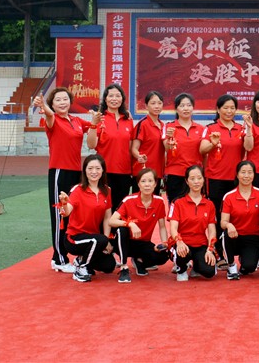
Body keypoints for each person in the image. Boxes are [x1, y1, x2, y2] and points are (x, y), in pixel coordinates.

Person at [34, 87, 100, 273]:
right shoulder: (52, 120)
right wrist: (44, 106)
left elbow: (94, 127)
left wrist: (96, 120)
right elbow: (49, 115)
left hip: (76, 174)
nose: (62, 103)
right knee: (59, 215)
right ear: (52, 104)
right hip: (59, 172)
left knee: (73, 215)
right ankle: (59, 258)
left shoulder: (76, 121)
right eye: (58, 100)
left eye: (65, 99)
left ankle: (75, 254)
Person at [57, 153, 114, 282]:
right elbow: (67, 212)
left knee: (109, 266)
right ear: (85, 170)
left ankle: (81, 260)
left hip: (94, 239)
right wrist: (64, 204)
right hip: (74, 238)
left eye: (98, 168)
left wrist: (106, 241)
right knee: (99, 240)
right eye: (90, 168)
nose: (94, 172)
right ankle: (81, 268)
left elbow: (107, 217)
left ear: (103, 170)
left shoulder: (107, 190)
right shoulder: (77, 190)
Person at [108, 167, 171, 283]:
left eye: (150, 181)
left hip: (143, 243)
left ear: (155, 184)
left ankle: (139, 261)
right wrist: (130, 224)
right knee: (122, 230)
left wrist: (164, 243)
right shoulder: (129, 200)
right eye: (143, 181)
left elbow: (162, 226)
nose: (147, 184)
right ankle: (123, 267)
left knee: (164, 255)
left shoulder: (159, 201)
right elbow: (111, 221)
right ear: (138, 184)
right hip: (125, 242)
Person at [168, 164, 218, 281]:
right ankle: (182, 268)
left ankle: (197, 266)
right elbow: (173, 228)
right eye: (192, 178)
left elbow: (212, 230)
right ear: (186, 181)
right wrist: (179, 242)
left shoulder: (209, 204)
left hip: (200, 243)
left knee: (209, 272)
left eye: (199, 178)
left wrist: (210, 249)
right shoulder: (178, 202)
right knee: (183, 253)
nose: (196, 182)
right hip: (182, 243)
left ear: (203, 180)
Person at [201, 94, 248, 219]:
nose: (229, 111)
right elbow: (202, 149)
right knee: (217, 212)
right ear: (218, 109)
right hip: (216, 178)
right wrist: (212, 144)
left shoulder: (241, 129)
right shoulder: (210, 128)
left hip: (236, 178)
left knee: (235, 214)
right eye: (225, 108)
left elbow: (248, 148)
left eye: (232, 108)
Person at [218, 161, 259, 280]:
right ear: (237, 174)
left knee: (249, 267)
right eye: (243, 172)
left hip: (253, 237)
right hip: (234, 235)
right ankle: (231, 265)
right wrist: (229, 225)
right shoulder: (229, 196)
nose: (246, 176)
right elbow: (223, 222)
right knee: (226, 233)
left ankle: (245, 260)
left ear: (254, 175)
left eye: (250, 172)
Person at [96, 84, 135, 209]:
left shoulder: (128, 120)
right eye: (111, 96)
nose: (114, 99)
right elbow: (92, 144)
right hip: (104, 172)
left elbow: (130, 148)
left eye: (118, 96)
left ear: (122, 99)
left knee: (120, 208)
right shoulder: (100, 119)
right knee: (103, 208)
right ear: (105, 99)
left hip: (124, 172)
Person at [163, 93, 205, 201]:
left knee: (195, 205)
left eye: (189, 105)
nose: (186, 108)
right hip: (175, 174)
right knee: (175, 204)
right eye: (182, 106)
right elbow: (166, 149)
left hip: (195, 176)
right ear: (176, 109)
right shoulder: (168, 127)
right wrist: (169, 137)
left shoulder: (201, 129)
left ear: (193, 108)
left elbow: (204, 153)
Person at [132, 91, 165, 186]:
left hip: (157, 173)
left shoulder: (163, 126)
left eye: (159, 103)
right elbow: (134, 149)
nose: (157, 106)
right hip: (142, 172)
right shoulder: (142, 124)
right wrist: (139, 156)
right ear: (146, 106)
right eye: (153, 103)